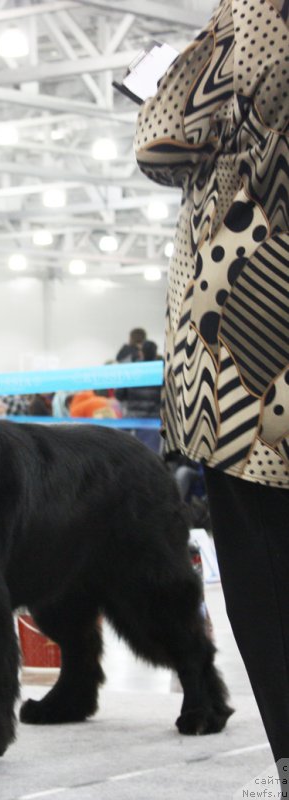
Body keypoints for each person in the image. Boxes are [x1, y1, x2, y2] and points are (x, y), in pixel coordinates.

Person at [135, 0, 289, 765]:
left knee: (260, 555)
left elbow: (160, 142)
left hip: (246, 342)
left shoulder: (249, 22)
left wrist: (179, 60)